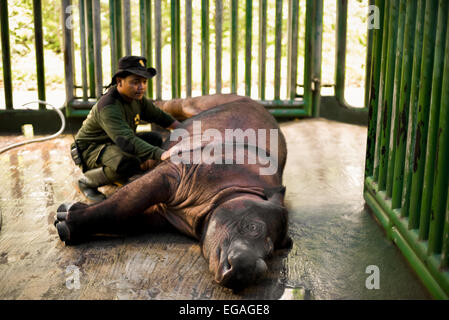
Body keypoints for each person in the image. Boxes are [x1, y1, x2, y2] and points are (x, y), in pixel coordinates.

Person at [71, 55, 181, 202]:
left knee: (154, 138)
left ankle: (117, 173)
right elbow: (127, 141)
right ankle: (87, 181)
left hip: (114, 143)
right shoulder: (109, 106)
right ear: (119, 81)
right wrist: (162, 154)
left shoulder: (137, 98)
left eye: (144, 82)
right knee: (128, 162)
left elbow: (159, 116)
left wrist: (184, 129)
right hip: (91, 150)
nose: (141, 87)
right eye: (135, 82)